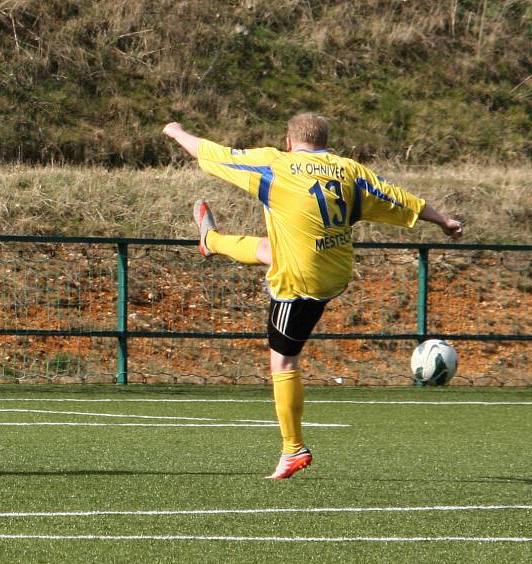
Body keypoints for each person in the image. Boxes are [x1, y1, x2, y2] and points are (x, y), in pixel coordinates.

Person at [163, 113, 463, 479]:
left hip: (300, 286)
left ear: (289, 142)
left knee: (283, 362)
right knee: (272, 248)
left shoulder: (275, 164)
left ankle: (292, 448)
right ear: (326, 143)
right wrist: (443, 220)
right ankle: (211, 242)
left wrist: (176, 132)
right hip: (334, 273)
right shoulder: (349, 170)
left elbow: (211, 153)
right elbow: (400, 200)